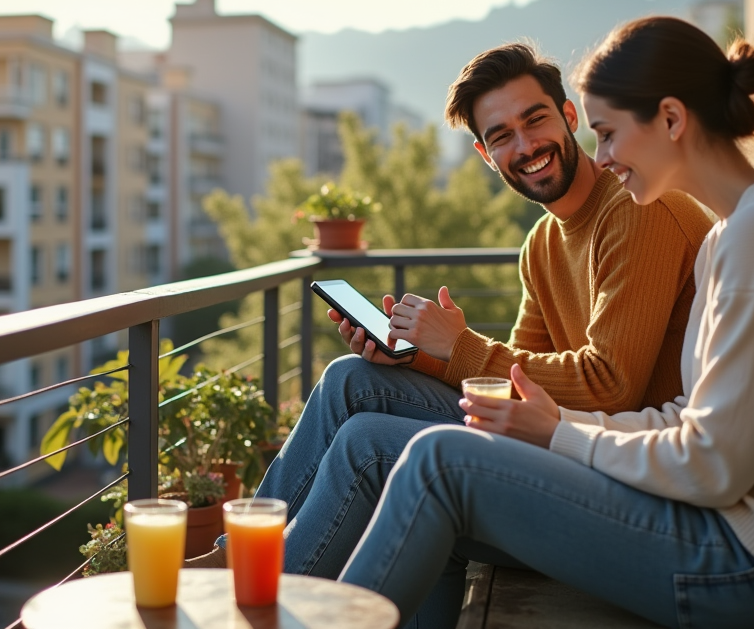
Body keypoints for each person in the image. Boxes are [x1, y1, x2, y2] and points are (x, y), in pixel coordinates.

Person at [337, 17, 754, 629]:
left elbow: (713, 465)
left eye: (609, 133)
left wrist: (558, 435)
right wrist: (554, 421)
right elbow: (686, 419)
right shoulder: (730, 236)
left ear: (670, 120)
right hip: (727, 532)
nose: (604, 157)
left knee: (438, 461)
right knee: (420, 465)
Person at [188, 42, 711, 575]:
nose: (526, 145)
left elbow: (611, 385)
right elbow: (510, 388)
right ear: (486, 155)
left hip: (629, 474)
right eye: (501, 136)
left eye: (535, 120)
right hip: (566, 442)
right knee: (350, 378)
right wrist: (418, 357)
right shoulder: (541, 243)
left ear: (569, 117)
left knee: (368, 444)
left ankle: (248, 586)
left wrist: (458, 346)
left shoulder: (637, 209)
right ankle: (236, 556)